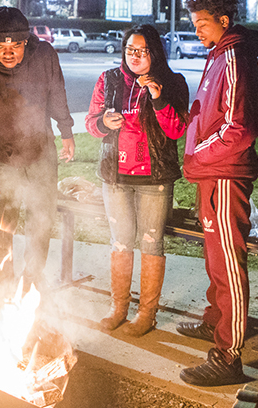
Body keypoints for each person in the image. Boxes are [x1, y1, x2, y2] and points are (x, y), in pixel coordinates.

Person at [174, 0, 258, 387]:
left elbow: (239, 128)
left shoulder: (233, 56)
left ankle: (228, 356)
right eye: (193, 24)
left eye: (201, 23)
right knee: (216, 260)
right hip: (212, 173)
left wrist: (197, 157)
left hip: (225, 174)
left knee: (228, 264)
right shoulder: (217, 55)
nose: (196, 30)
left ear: (223, 22)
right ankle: (215, 323)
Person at [0, 6, 75, 295]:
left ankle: (32, 279)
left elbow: (57, 92)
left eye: (15, 45)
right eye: (0, 45)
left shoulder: (45, 56)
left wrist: (66, 130)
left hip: (41, 154)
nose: (7, 52)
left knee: (41, 220)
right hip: (2, 161)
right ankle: (1, 280)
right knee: (0, 225)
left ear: (26, 41)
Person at [84, 24, 189, 338]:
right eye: (130, 49)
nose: (135, 56)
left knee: (151, 244)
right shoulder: (109, 79)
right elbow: (90, 123)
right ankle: (119, 308)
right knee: (120, 241)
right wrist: (103, 121)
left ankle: (147, 313)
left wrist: (158, 99)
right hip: (116, 176)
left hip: (154, 178)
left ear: (154, 52)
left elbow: (177, 130)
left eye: (142, 51)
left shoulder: (172, 82)